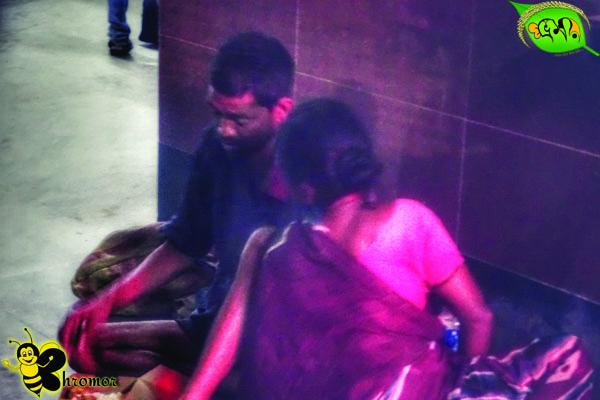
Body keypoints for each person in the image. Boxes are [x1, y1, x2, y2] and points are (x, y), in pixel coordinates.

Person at [180, 98, 494, 400]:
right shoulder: (410, 222)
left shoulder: (270, 249)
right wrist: (465, 387)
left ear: (303, 188)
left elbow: (236, 347)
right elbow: (478, 319)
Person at [59, 31, 296, 376]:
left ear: (281, 110)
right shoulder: (216, 148)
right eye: (217, 114)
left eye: (239, 120)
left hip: (272, 348)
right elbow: (185, 243)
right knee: (81, 339)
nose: (225, 130)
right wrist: (104, 304)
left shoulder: (307, 173)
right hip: (212, 322)